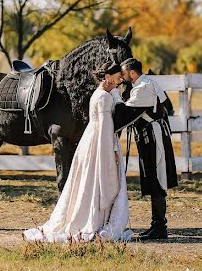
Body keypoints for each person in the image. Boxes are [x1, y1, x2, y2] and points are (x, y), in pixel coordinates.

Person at [23, 62, 133, 242]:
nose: (120, 79)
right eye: (117, 76)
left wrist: (113, 90)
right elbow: (106, 128)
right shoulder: (104, 98)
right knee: (98, 180)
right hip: (100, 143)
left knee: (87, 182)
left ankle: (91, 217)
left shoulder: (100, 93)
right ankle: (95, 220)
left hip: (90, 140)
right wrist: (112, 151)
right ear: (107, 77)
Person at [112, 57, 178, 240]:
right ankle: (156, 224)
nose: (122, 78)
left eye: (124, 74)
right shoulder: (150, 83)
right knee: (153, 177)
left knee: (157, 178)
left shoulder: (142, 89)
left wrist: (114, 94)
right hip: (152, 135)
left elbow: (124, 114)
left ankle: (159, 226)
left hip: (153, 138)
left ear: (132, 73)